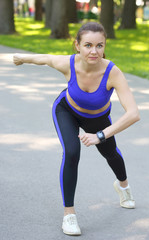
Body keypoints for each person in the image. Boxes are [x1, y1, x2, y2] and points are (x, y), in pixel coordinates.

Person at [13, 22, 140, 236]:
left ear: (104, 46)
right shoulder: (68, 64)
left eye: (99, 46)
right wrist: (21, 58)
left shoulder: (112, 72)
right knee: (72, 152)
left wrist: (101, 135)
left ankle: (124, 187)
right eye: (88, 45)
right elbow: (44, 59)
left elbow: (133, 114)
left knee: (111, 154)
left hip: (98, 119)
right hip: (67, 110)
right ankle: (69, 215)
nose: (94, 51)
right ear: (77, 45)